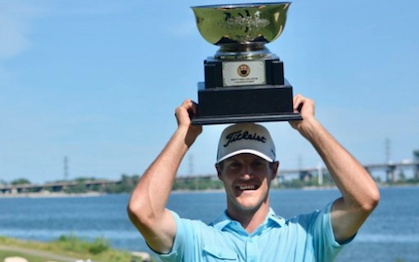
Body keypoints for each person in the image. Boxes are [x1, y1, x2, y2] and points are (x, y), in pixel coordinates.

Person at [127, 94, 380, 262]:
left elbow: (364, 199)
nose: (246, 174)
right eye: (235, 164)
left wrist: (309, 126)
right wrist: (185, 134)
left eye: (258, 164)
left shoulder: (307, 236)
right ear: (219, 172)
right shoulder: (195, 240)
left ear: (274, 170)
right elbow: (143, 211)